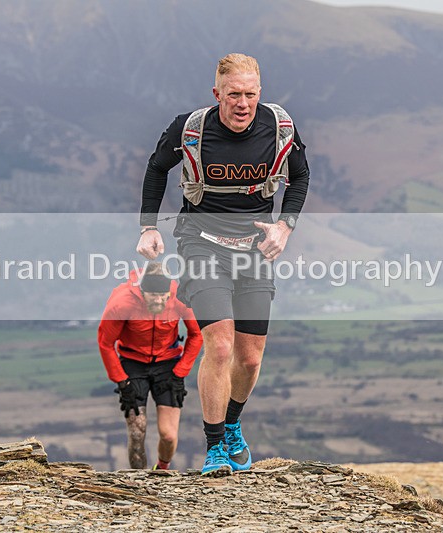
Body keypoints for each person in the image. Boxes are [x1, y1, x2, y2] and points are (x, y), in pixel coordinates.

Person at [136, 53, 310, 476]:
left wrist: (284, 228)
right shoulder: (190, 129)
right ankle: (214, 447)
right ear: (217, 95)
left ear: (260, 94)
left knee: (250, 359)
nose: (243, 103)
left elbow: (300, 175)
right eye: (234, 94)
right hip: (201, 244)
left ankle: (232, 424)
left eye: (250, 94)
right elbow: (157, 169)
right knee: (219, 343)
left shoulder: (279, 127)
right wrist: (147, 228)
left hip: (255, 248)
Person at [98, 262, 203, 470]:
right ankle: (139, 481)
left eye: (161, 295)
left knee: (168, 435)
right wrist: (121, 381)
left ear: (168, 292)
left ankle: (161, 470)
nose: (157, 299)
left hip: (168, 364)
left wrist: (180, 372)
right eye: (152, 295)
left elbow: (197, 334)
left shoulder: (180, 298)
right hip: (133, 363)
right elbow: (105, 343)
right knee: (137, 431)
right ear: (142, 292)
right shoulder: (122, 303)